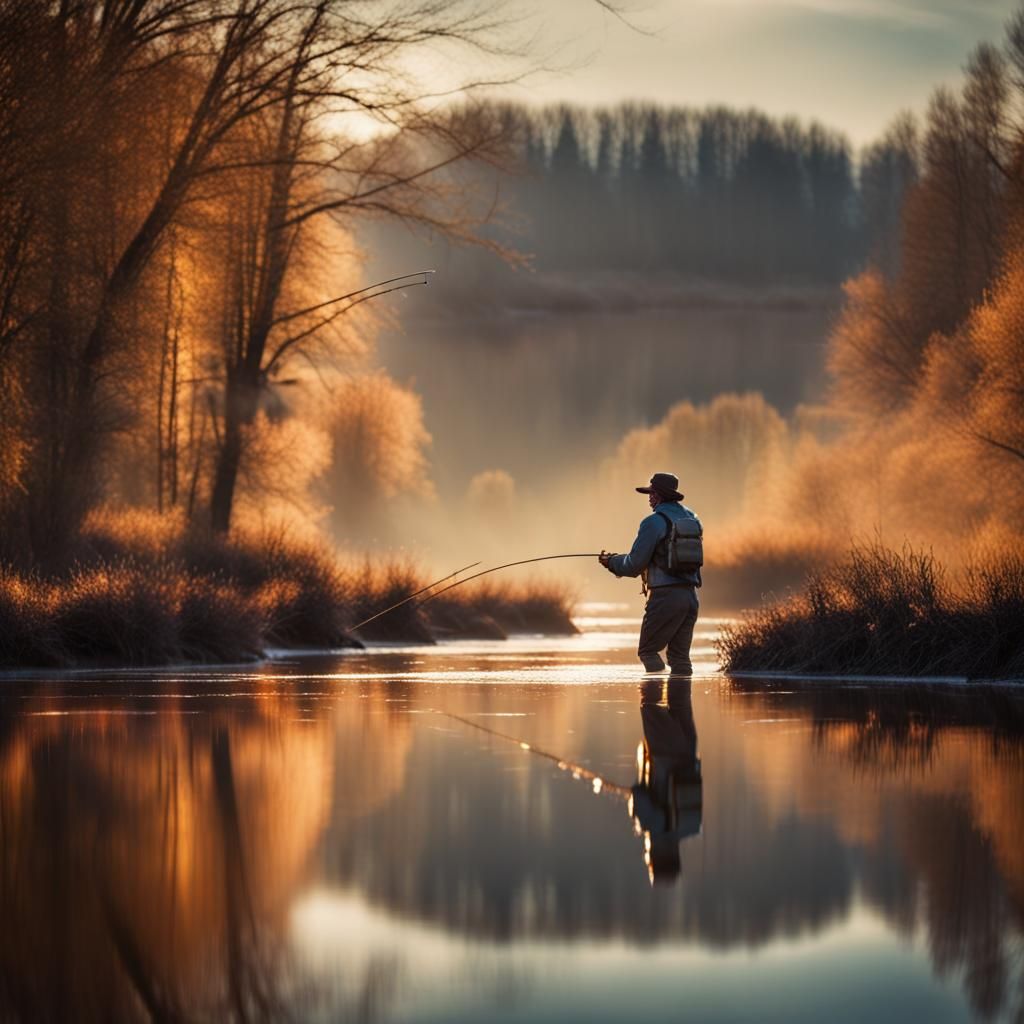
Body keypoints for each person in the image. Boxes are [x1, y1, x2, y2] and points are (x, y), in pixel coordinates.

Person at [599, 472, 701, 674]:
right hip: (690, 597)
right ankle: (681, 694)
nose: (649, 498)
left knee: (648, 651)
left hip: (665, 597)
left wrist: (611, 562)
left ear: (660, 495)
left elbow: (634, 565)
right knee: (680, 658)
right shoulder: (692, 518)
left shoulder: (653, 522)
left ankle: (653, 694)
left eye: (652, 493)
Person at [629, 677, 703, 884]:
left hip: (689, 751)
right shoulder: (652, 825)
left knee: (680, 697)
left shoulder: (690, 827)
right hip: (663, 751)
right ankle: (654, 666)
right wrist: (633, 808)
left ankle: (677, 668)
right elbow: (638, 795)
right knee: (649, 702)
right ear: (656, 857)